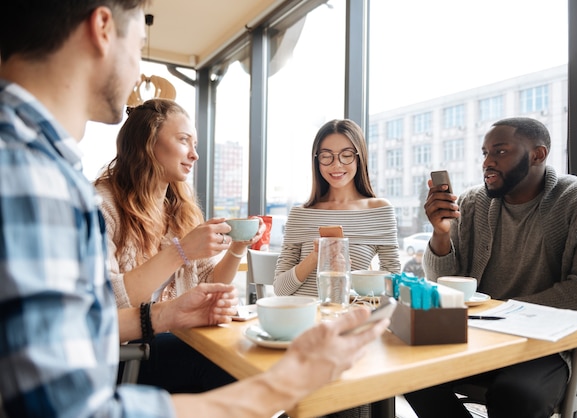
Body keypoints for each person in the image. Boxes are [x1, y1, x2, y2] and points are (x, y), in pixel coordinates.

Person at [0, 2, 389, 417]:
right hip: (134, 363)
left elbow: (79, 325)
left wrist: (170, 310)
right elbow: (68, 406)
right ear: (103, 27)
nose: (138, 72)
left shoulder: (51, 171)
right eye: (141, 41)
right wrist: (281, 386)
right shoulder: (36, 177)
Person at [404, 117, 577, 418]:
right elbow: (445, 283)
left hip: (551, 346)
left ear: (538, 154)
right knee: (403, 370)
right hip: (478, 337)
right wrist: (441, 234)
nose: (488, 162)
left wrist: (500, 314)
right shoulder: (471, 203)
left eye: (500, 151)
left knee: (517, 395)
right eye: (484, 153)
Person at [94, 99, 264, 309]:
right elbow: (106, 299)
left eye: (195, 145)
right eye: (184, 140)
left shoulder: (182, 209)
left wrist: (238, 246)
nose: (195, 155)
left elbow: (209, 281)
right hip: (133, 341)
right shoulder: (101, 206)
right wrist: (182, 250)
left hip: (179, 333)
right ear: (147, 143)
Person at [274, 119, 401, 298]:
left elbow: (392, 286)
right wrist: (316, 257)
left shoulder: (380, 210)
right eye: (326, 156)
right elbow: (280, 290)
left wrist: (344, 279)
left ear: (359, 157)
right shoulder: (300, 214)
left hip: (347, 318)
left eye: (346, 154)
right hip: (300, 318)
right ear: (317, 160)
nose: (336, 165)